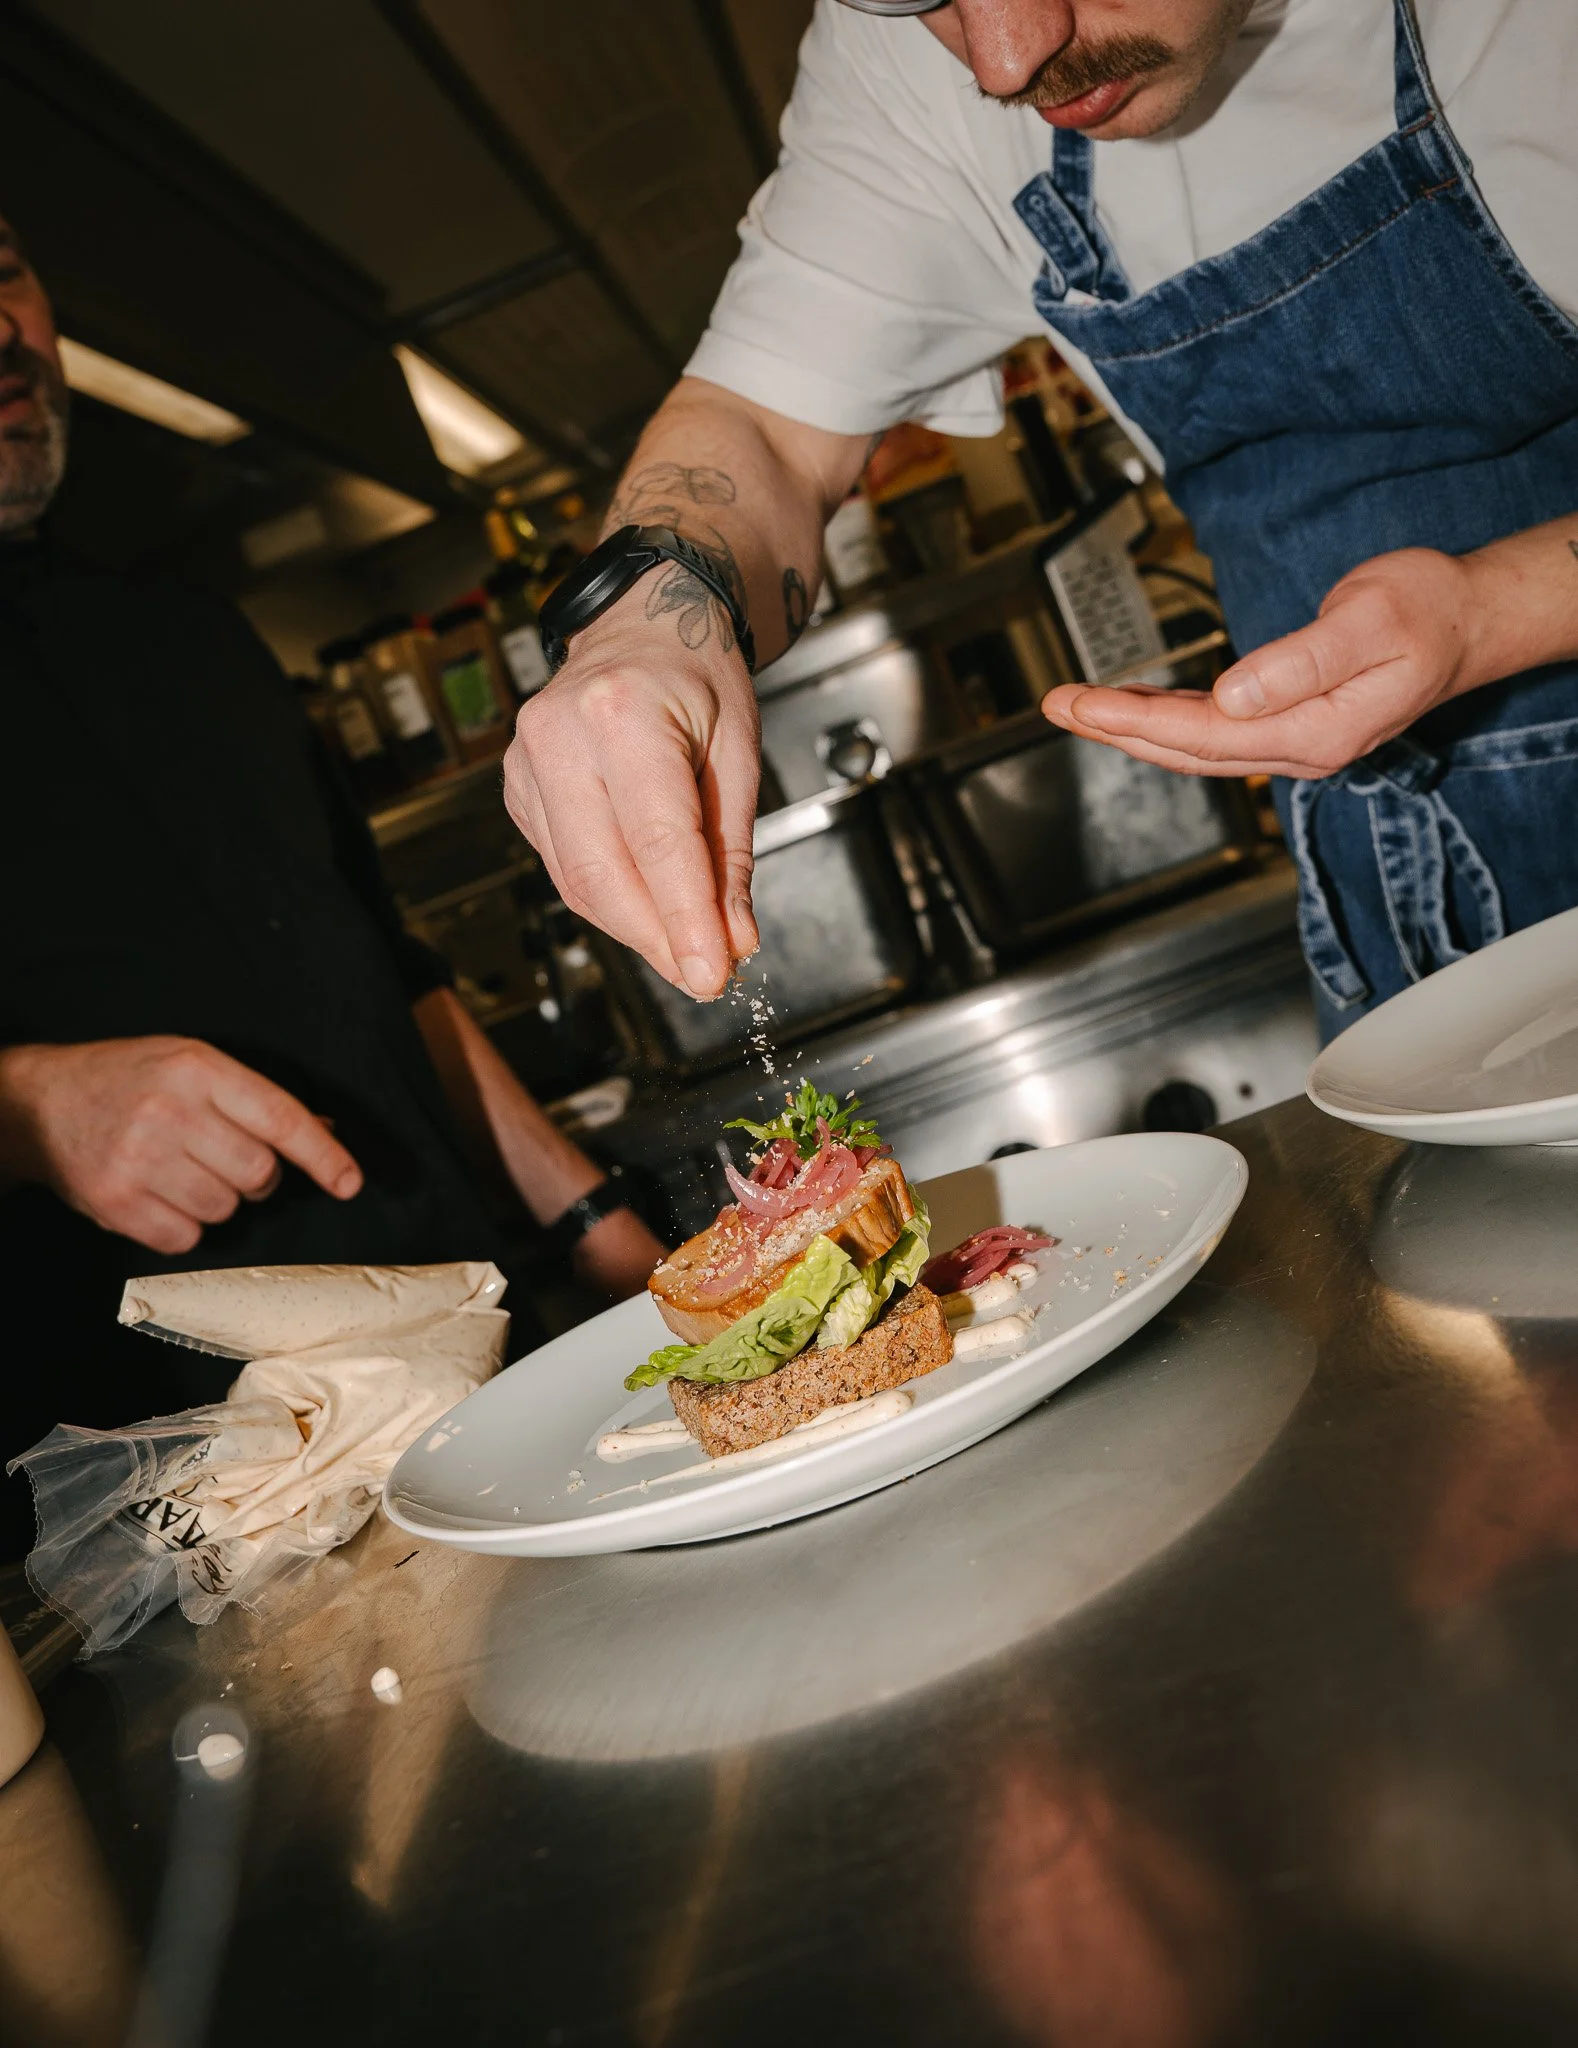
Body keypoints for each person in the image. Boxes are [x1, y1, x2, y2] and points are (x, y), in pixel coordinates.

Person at [504, 0, 1578, 1040]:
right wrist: (644, 624)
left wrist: (1497, 608)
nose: (1006, 61)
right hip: (1402, 916)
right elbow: (765, 426)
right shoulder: (905, 69)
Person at [0, 210, 665, 1553]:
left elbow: (384, 972)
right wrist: (21, 1110)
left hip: (471, 1368)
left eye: (3, 268)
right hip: (181, 1512)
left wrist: (599, 1227)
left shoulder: (192, 638)